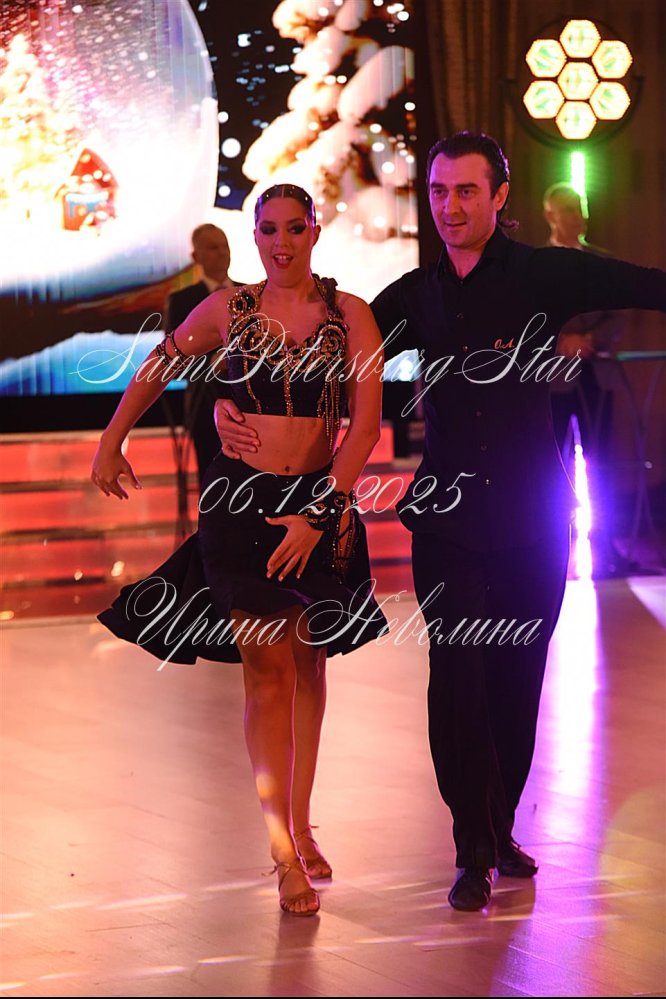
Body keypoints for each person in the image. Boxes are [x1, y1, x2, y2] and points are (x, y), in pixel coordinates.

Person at [215, 134, 666, 912]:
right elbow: (325, 355)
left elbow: (644, 285)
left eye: (466, 191)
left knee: (516, 681)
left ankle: (498, 826)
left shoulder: (543, 274)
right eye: (439, 191)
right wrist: (232, 399)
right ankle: (473, 849)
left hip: (533, 516)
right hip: (448, 524)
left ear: (500, 196)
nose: (450, 206)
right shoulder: (415, 295)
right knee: (456, 680)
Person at [91, 184, 388, 917]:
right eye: (268, 230)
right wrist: (111, 439)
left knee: (310, 666)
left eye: (294, 228)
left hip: (319, 510)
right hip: (240, 509)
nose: (281, 243)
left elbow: (364, 428)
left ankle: (302, 822)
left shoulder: (350, 315)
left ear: (314, 231)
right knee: (267, 674)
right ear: (253, 236)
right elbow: (160, 361)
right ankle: (282, 851)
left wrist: (319, 515)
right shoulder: (229, 309)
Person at [543, 183, 628, 576]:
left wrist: (589, 341)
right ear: (550, 215)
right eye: (570, 210)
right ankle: (551, 548)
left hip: (597, 376)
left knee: (602, 463)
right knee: (552, 467)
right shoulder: (536, 265)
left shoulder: (601, 262)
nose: (578, 217)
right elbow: (528, 319)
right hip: (553, 380)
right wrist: (561, 342)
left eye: (582, 209)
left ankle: (607, 547)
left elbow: (619, 313)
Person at [166, 223, 238, 485]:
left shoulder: (250, 293)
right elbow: (174, 360)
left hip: (252, 407)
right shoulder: (182, 300)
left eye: (224, 246)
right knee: (212, 479)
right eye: (213, 247)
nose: (222, 253)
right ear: (196, 257)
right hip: (204, 406)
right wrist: (214, 363)